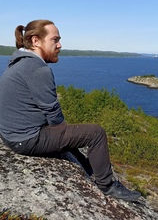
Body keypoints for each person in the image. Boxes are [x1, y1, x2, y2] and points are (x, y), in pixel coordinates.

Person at [0, 19, 141, 202]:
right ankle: (107, 186)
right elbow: (54, 116)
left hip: (11, 135)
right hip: (25, 139)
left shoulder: (18, 63)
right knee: (95, 133)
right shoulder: (37, 69)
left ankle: (90, 170)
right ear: (36, 41)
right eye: (55, 40)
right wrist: (66, 132)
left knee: (71, 137)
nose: (60, 45)